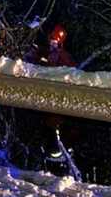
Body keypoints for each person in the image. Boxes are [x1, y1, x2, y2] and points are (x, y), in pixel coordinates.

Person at [24, 24, 76, 161]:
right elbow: (37, 58)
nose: (53, 43)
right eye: (51, 40)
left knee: (53, 125)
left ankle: (55, 151)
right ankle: (49, 151)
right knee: (46, 125)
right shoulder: (46, 53)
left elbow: (69, 73)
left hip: (56, 97)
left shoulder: (63, 56)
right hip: (45, 96)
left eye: (55, 41)